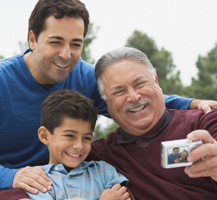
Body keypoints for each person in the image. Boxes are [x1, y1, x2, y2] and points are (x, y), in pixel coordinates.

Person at [0, 0, 216, 197]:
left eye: (75, 44)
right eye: (56, 42)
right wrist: (10, 177)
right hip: (22, 185)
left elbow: (137, 100)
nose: (66, 55)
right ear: (32, 39)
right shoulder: (3, 81)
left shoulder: (84, 77)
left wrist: (192, 104)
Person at [87, 47, 217, 199]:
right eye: (119, 92)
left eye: (140, 83)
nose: (134, 97)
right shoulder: (97, 156)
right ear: (106, 101)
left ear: (156, 80)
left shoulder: (206, 121)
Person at [24, 89, 132, 200]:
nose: (79, 146)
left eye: (86, 138)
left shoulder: (104, 172)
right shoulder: (37, 180)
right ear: (44, 136)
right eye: (70, 136)